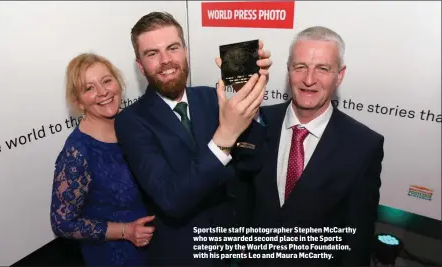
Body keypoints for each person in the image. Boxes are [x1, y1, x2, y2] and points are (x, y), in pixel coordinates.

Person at [114, 12, 271, 266]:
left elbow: (250, 164)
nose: (166, 60)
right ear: (140, 65)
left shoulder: (211, 97)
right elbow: (171, 199)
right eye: (152, 53)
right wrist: (226, 135)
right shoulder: (131, 121)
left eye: (172, 48)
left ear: (185, 51)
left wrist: (249, 102)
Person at [239, 26, 385, 266]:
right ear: (288, 71)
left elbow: (356, 240)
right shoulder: (255, 123)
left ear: (340, 75)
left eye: (323, 69)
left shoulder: (364, 146)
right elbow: (243, 197)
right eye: (300, 67)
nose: (309, 79)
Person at [50, 53, 156, 266]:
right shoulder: (77, 153)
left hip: (157, 245)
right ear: (78, 101)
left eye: (106, 80)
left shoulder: (133, 124)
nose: (103, 92)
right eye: (89, 88)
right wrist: (126, 232)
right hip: (118, 255)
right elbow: (62, 223)